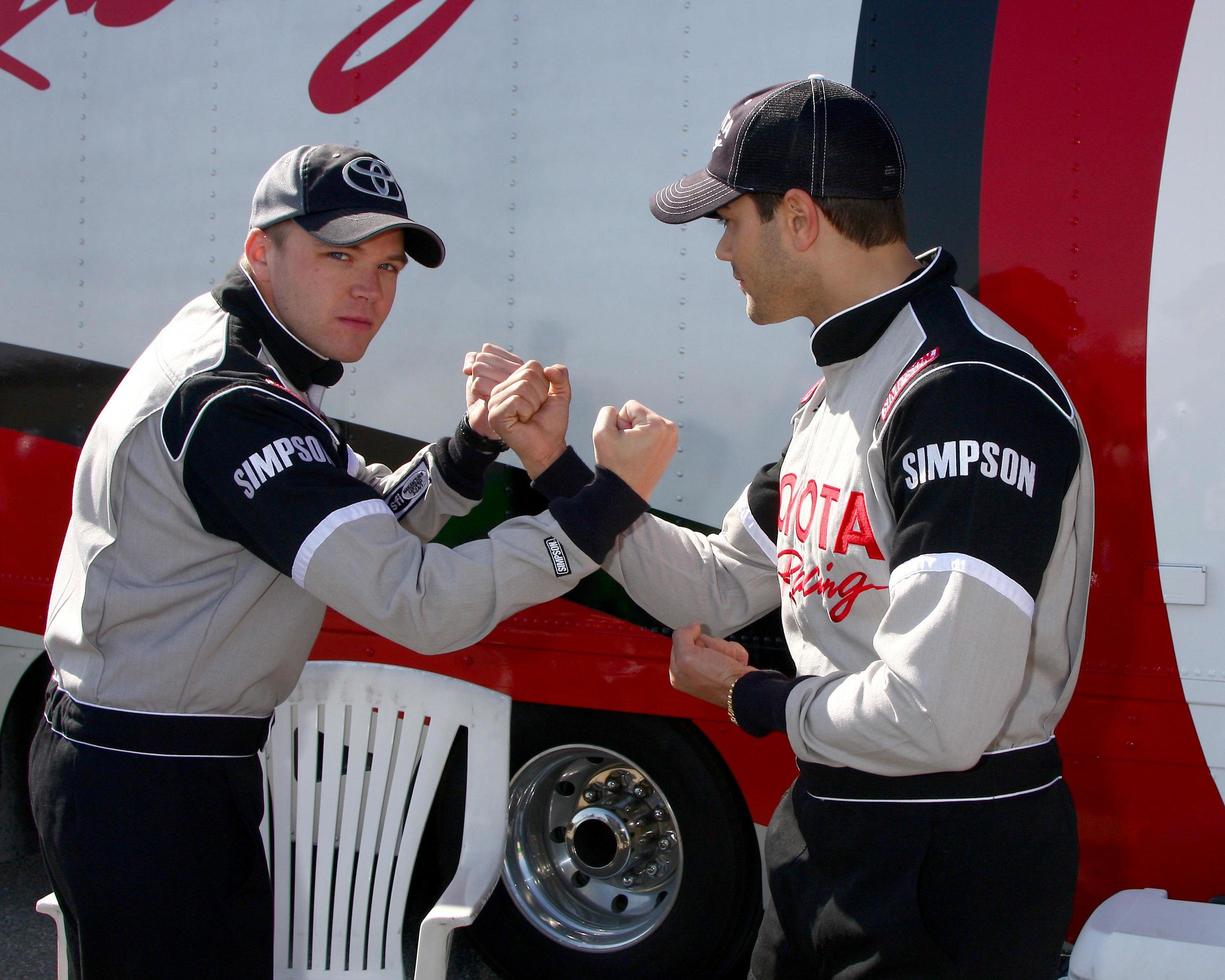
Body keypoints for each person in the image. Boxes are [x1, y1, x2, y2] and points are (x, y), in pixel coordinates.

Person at [28, 142, 676, 979]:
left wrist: (470, 446)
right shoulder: (234, 405)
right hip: (147, 777)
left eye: (389, 265)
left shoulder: (250, 359)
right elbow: (422, 606)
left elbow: (363, 521)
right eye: (339, 255)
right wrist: (603, 506)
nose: (370, 288)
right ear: (260, 249)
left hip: (151, 762)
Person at [506, 77, 1094, 978]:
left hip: (952, 852)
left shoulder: (959, 391)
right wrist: (562, 470)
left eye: (727, 222)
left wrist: (755, 700)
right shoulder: (843, 386)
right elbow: (717, 584)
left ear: (797, 217)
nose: (720, 253)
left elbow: (938, 718)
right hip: (833, 821)